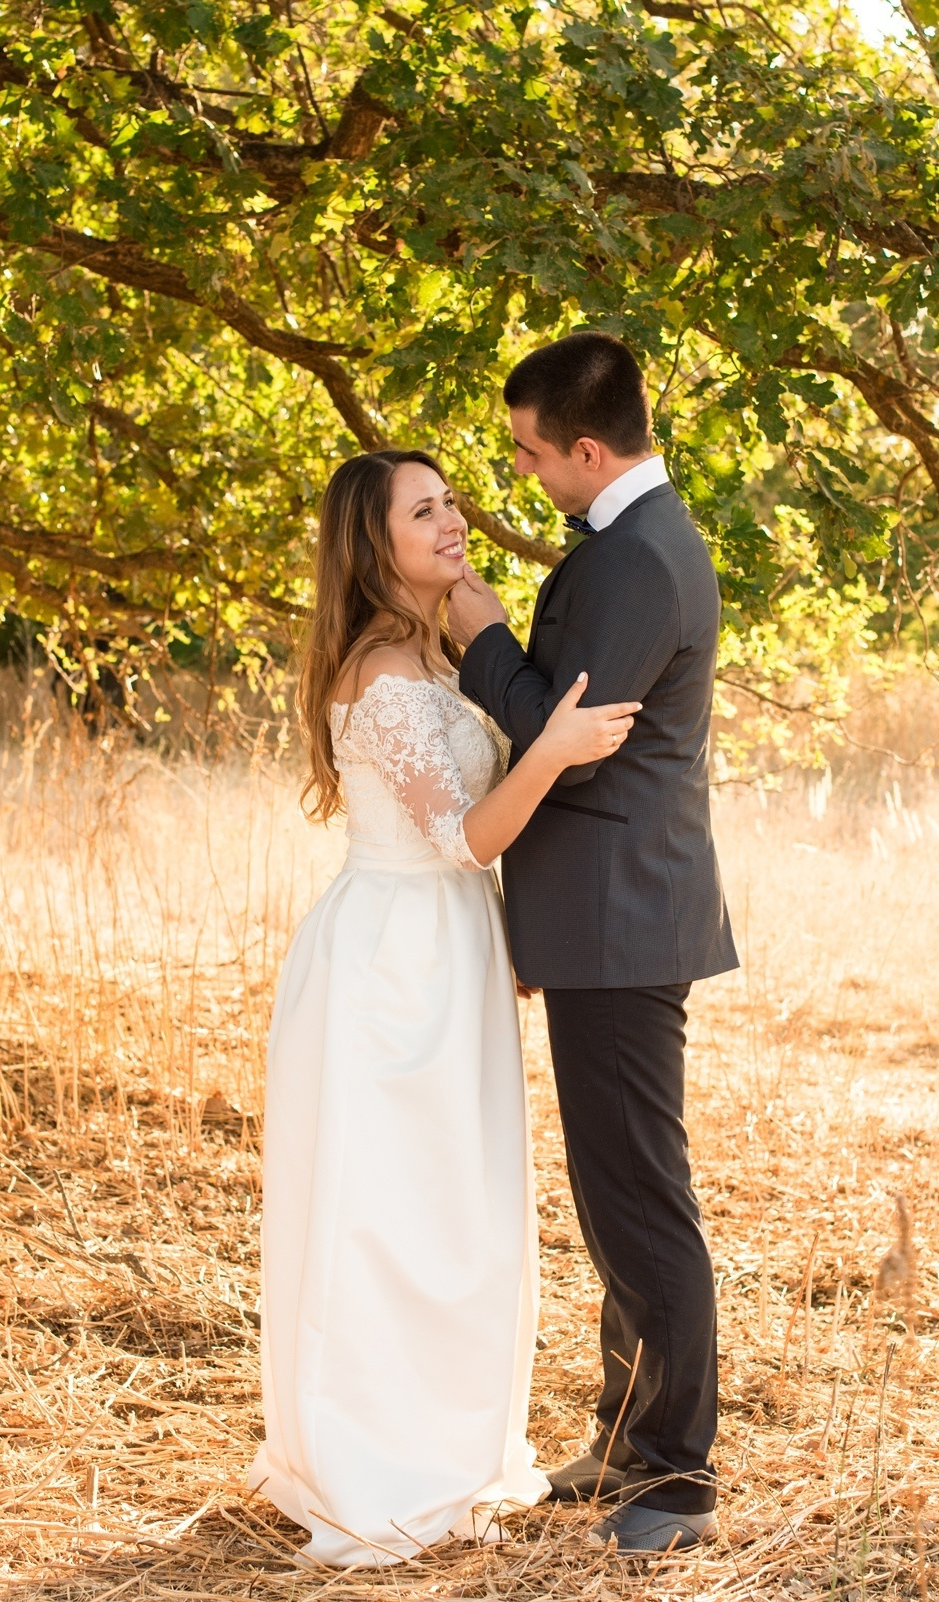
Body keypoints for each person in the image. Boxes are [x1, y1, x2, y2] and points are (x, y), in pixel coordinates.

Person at [253, 447, 644, 1567]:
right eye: (422, 512)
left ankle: (446, 1440)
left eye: (452, 500)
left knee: (458, 1201)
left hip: (450, 943)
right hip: (394, 959)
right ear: (373, 546)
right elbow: (460, 836)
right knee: (390, 1207)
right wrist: (554, 746)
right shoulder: (381, 670)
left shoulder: (431, 645)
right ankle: (382, 1463)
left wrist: (484, 626)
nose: (452, 519)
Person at [447, 331, 739, 1554]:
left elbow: (563, 732)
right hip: (606, 916)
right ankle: (626, 1436)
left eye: (526, 453)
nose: (520, 475)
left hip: (624, 920)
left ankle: (673, 1475)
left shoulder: (635, 562)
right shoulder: (631, 545)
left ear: (584, 447)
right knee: (615, 1190)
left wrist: (481, 637)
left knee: (639, 1197)